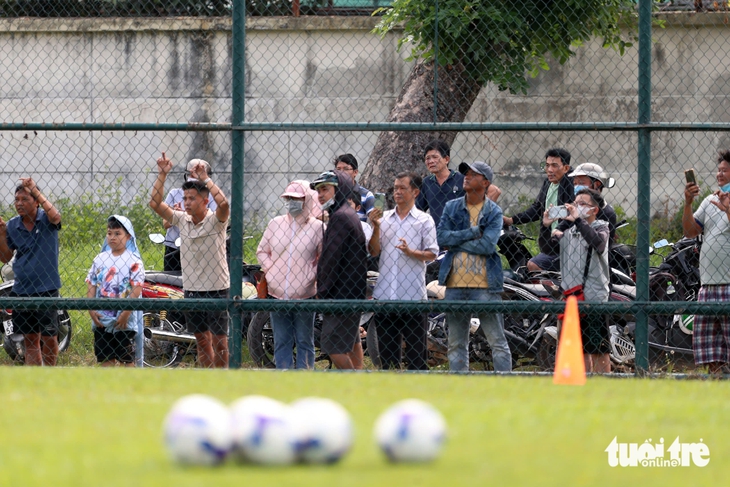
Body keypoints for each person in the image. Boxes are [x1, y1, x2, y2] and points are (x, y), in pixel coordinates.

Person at [149, 152, 231, 368]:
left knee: (220, 342)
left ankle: (223, 381)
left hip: (217, 289)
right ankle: (207, 380)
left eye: (191, 198)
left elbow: (224, 204)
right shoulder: (181, 220)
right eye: (185, 198)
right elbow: (155, 204)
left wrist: (206, 179)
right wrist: (162, 174)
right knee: (202, 342)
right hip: (192, 289)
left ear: (205, 201)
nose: (186, 202)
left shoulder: (216, 221)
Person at [437, 161, 511, 372]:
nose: (466, 177)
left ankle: (507, 386)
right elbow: (441, 237)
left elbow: (488, 245)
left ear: (486, 182)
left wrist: (456, 241)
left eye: (473, 174)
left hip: (485, 285)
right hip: (455, 283)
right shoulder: (452, 206)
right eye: (465, 174)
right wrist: (471, 233)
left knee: (496, 340)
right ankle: (460, 386)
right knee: (456, 343)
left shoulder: (493, 211)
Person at [368, 172, 438, 370]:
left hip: (413, 296)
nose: (397, 192)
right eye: (395, 188)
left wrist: (410, 252)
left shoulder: (424, 220)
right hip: (385, 295)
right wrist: (375, 228)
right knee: (388, 359)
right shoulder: (385, 219)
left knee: (417, 357)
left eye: (402, 188)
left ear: (415, 192)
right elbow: (374, 251)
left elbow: (432, 254)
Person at [256, 180, 324, 370]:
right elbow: (262, 251)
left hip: (305, 295)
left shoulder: (317, 227)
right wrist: (271, 271)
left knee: (304, 340)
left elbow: (323, 257)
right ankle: (284, 374)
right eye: (288, 198)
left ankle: (305, 376)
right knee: (282, 340)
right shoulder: (275, 224)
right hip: (277, 294)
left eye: (297, 199)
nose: (291, 202)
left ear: (307, 200)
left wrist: (311, 275)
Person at [545, 188, 611, 373]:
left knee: (598, 348)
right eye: (575, 203)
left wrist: (578, 220)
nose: (577, 207)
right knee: (579, 349)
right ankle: (583, 383)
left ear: (594, 209)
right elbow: (547, 248)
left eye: (582, 204)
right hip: (572, 297)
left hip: (594, 297)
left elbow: (599, 244)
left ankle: (603, 385)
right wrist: (546, 226)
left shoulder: (601, 226)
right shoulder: (567, 230)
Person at [0, 179, 62, 366]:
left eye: (24, 199)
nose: (19, 203)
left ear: (35, 201)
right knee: (30, 339)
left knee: (50, 337)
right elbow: (5, 257)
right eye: (16, 199)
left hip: (46, 289)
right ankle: (35, 377)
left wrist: (35, 189)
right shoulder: (12, 225)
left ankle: (50, 375)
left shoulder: (46, 219)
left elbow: (56, 216)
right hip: (22, 290)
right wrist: (1, 233)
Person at [312, 170, 368, 370]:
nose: (320, 195)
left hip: (340, 294)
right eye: (318, 190)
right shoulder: (347, 213)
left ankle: (355, 380)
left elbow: (331, 259)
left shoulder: (341, 218)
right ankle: (361, 381)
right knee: (352, 340)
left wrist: (323, 291)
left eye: (325, 189)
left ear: (339, 189)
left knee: (333, 346)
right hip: (352, 292)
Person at [683, 151, 730, 374]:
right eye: (719, 169)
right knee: (710, 352)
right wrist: (688, 203)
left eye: (725, 170)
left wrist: (728, 208)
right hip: (708, 284)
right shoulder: (710, 200)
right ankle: (715, 384)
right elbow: (690, 231)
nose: (720, 173)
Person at [86, 216, 145, 367]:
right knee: (106, 359)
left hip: (124, 321)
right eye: (109, 233)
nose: (112, 237)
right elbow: (92, 284)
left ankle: (129, 389)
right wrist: (92, 310)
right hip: (102, 320)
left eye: (117, 233)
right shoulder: (99, 259)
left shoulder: (134, 260)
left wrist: (125, 313)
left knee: (127, 359)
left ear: (128, 236)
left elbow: (136, 289)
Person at [503, 148, 574, 272]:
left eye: (554, 166)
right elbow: (537, 209)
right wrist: (512, 220)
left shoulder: (571, 184)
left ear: (566, 168)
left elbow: (573, 212)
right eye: (547, 165)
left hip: (569, 245)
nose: (550, 170)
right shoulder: (548, 183)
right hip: (552, 245)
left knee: (534, 265)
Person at [416, 140, 501, 230]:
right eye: (427, 158)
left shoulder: (462, 178)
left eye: (435, 157)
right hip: (438, 236)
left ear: (446, 159)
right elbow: (418, 210)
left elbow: (494, 191)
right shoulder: (426, 183)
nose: (431, 161)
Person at [161, 159, 218, 272]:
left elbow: (211, 222)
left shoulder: (211, 197)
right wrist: (175, 216)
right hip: (174, 247)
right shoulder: (174, 193)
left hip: (199, 245)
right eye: (191, 175)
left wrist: (185, 214)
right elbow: (165, 224)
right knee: (172, 282)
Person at [567, 162, 617, 245]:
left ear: (597, 185)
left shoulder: (607, 213)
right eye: (575, 184)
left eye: (582, 183)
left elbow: (601, 244)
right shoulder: (573, 208)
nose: (577, 187)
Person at [334, 154, 374, 222]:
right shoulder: (331, 193)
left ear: (355, 172)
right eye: (338, 169)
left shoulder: (366, 195)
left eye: (346, 169)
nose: (341, 173)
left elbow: (375, 220)